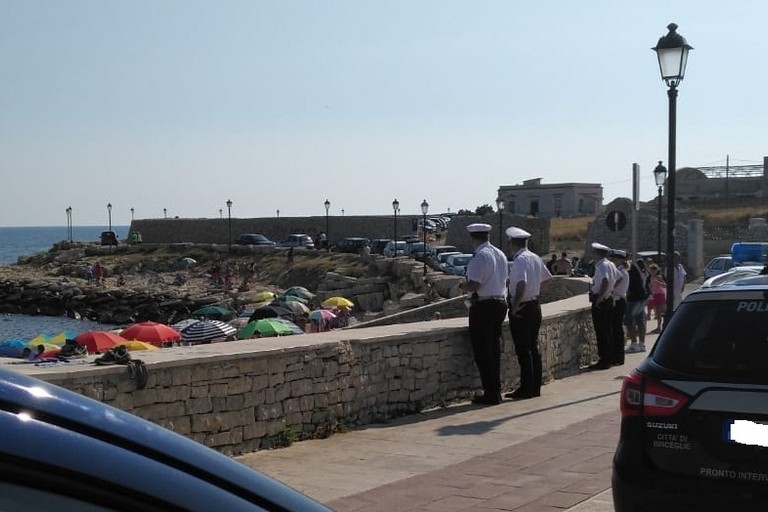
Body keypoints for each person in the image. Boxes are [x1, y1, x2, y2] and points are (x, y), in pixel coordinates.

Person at [459, 223, 508, 406]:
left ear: (473, 238)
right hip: (499, 304)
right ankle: (495, 389)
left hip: (484, 306)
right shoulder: (500, 254)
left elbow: (474, 284)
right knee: (493, 349)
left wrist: (461, 286)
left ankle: (491, 393)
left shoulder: (480, 256)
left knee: (483, 351)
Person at [504, 226, 552, 400]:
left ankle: (526, 388)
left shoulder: (520, 260)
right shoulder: (535, 257)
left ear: (512, 243)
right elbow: (548, 279)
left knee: (523, 350)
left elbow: (521, 284)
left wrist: (515, 306)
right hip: (534, 305)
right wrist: (535, 292)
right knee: (533, 347)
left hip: (523, 308)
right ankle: (535, 387)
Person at [589, 242, 618, 370]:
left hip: (602, 302)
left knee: (601, 331)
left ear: (597, 253)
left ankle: (604, 360)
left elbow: (605, 281)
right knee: (607, 331)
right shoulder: (610, 264)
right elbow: (618, 278)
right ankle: (609, 358)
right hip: (609, 299)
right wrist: (610, 291)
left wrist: (599, 298)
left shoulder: (601, 266)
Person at [625, 258, 650, 353]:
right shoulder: (634, 267)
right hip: (642, 296)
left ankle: (634, 344)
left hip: (634, 298)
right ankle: (642, 344)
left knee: (630, 320)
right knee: (640, 320)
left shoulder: (628, 268)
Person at [609, 250, 629, 366]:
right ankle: (618, 356)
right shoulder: (623, 271)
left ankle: (617, 356)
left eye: (615, 259)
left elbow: (614, 286)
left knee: (616, 330)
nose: (613, 261)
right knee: (617, 330)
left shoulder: (621, 272)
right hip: (620, 300)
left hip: (618, 300)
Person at [647, 264, 666, 333]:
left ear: (656, 270)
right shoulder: (651, 278)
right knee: (657, 312)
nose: (652, 272)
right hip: (655, 295)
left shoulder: (659, 277)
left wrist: (658, 282)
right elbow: (651, 286)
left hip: (660, 294)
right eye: (651, 270)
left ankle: (662, 325)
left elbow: (664, 285)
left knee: (662, 311)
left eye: (653, 270)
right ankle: (658, 327)